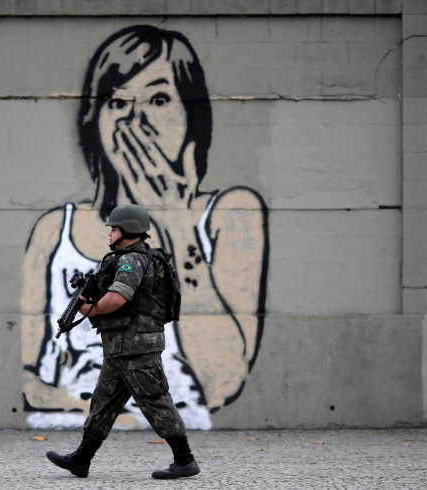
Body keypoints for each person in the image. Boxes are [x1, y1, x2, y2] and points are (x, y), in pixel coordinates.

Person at [21, 24, 267, 430]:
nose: (137, 120)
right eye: (117, 103)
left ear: (193, 117)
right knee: (106, 402)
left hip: (141, 357)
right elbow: (33, 377)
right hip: (100, 375)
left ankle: (177, 456)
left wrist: (177, 221)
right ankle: (85, 455)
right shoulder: (55, 229)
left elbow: (223, 380)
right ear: (95, 123)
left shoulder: (233, 213)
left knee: (147, 401)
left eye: (158, 98)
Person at [45, 203, 200, 480]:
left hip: (136, 346)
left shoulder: (132, 260)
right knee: (104, 402)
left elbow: (118, 298)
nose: (110, 233)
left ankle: (185, 460)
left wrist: (90, 309)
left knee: (154, 399)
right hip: (121, 347)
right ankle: (81, 459)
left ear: (128, 229)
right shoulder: (133, 257)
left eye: (114, 228)